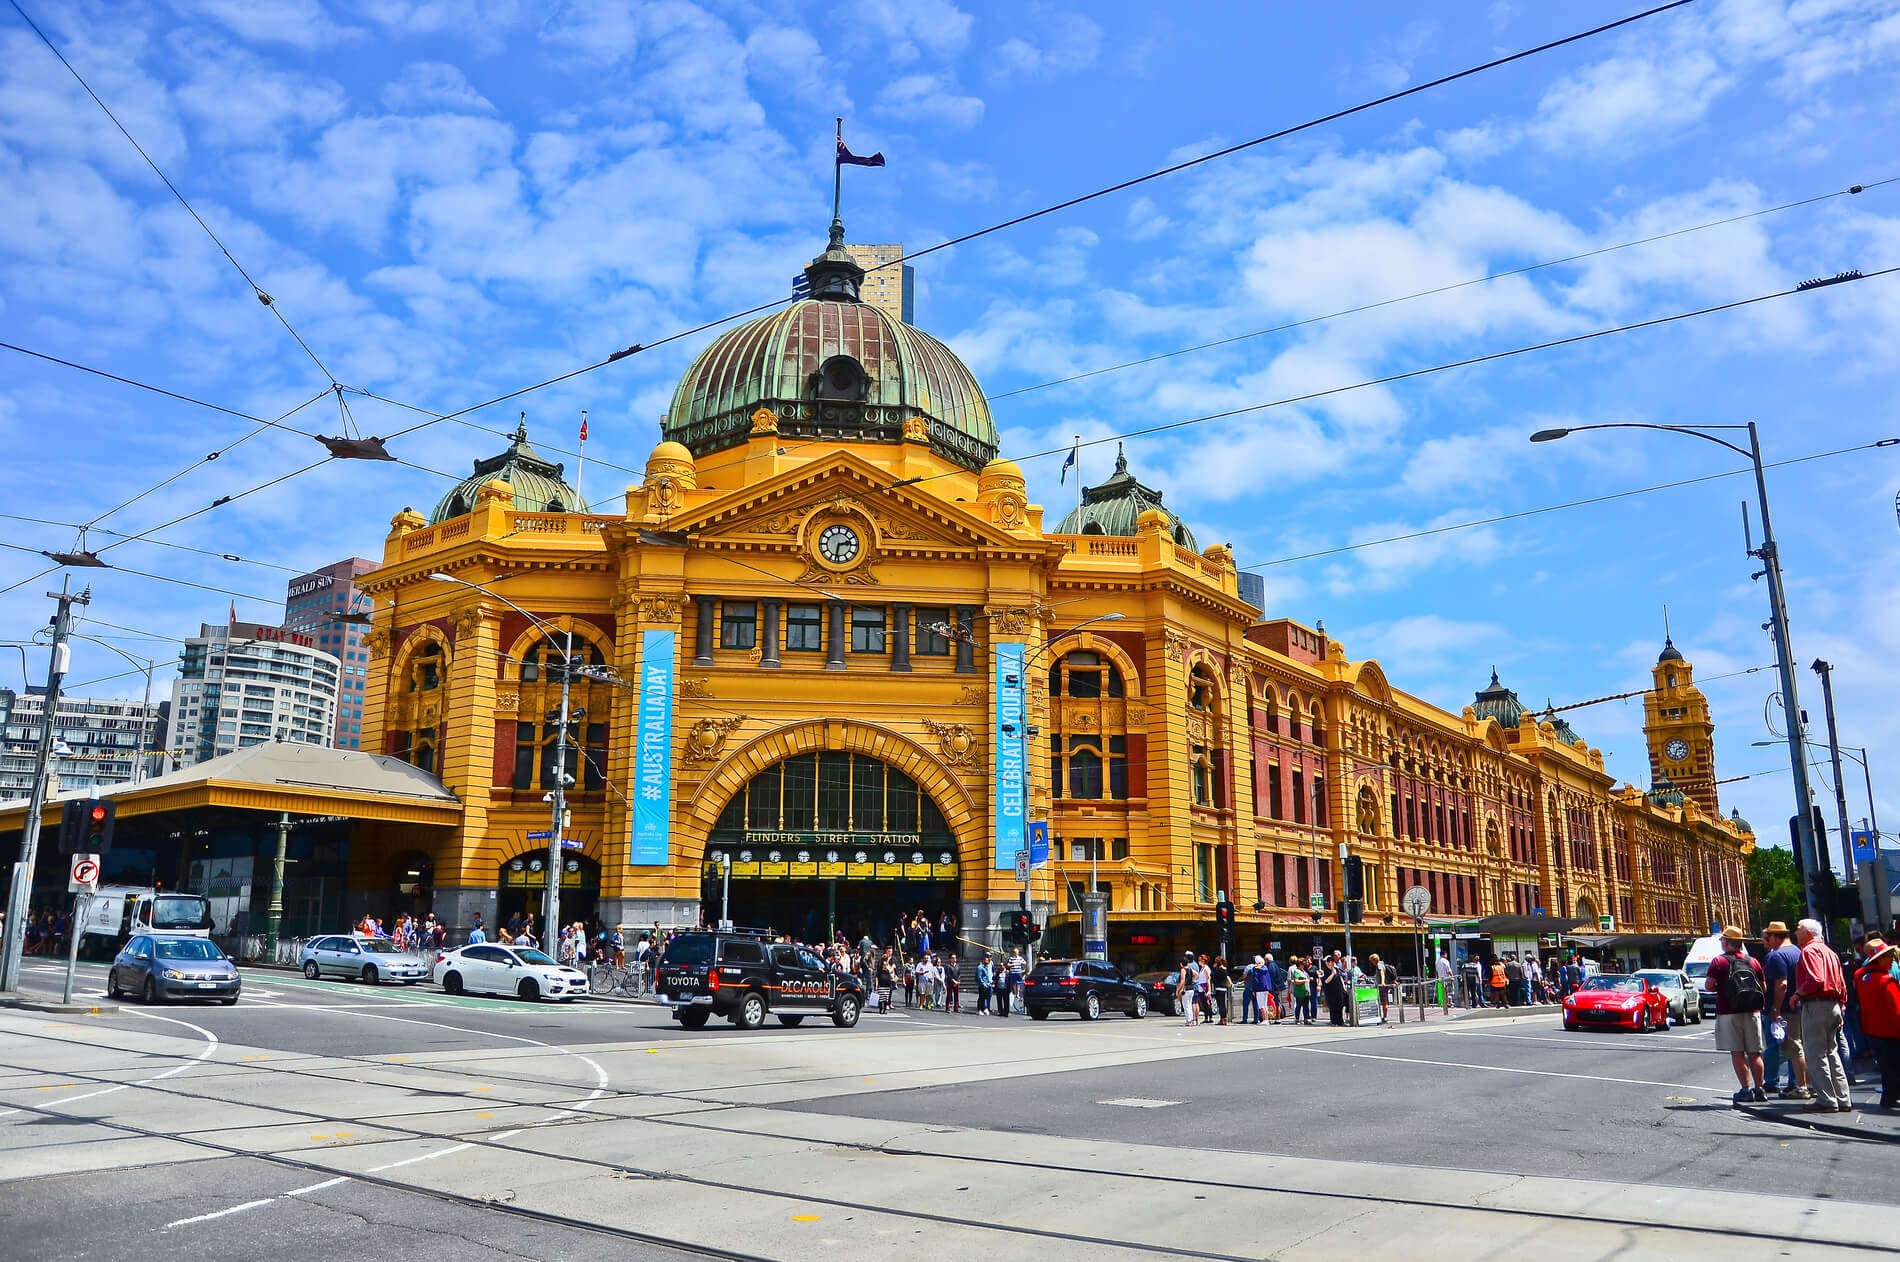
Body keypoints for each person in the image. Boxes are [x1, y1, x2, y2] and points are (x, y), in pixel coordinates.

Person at [1704, 925, 1767, 1105]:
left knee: (1737, 1052)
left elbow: (1709, 985)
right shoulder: (1753, 961)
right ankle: (1760, 1088)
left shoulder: (1719, 962)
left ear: (1726, 942)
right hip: (1752, 1012)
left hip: (1729, 1011)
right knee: (1755, 1052)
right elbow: (1763, 988)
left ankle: (1746, 1090)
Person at [1794, 918, 1852, 1113]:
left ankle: (1827, 1099)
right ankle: (1843, 1098)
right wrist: (1841, 1006)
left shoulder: (1809, 950)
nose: (1796, 933)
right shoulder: (1830, 952)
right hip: (1833, 1005)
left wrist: (1797, 994)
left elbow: (1816, 979)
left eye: (1799, 929)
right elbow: (1842, 984)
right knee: (1832, 1052)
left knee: (1816, 1054)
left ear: (1808, 933)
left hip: (1816, 1005)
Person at [1759, 921, 1808, 1098]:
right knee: (1796, 1046)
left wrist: (1775, 1009)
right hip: (1798, 1006)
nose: (1767, 941)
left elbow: (1781, 984)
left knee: (1779, 1046)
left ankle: (1775, 1082)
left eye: (1767, 937)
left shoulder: (1777, 956)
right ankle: (1795, 1082)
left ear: (1773, 936)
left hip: (1784, 1008)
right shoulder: (1797, 951)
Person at [1852, 933, 1899, 1110]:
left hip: (1872, 1030)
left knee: (1886, 1068)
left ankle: (1889, 1098)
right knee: (1893, 1067)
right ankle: (1890, 1098)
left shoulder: (1860, 976)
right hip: (1891, 1032)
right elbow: (1896, 1012)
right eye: (1888, 957)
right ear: (1879, 960)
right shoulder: (1887, 982)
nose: (1892, 960)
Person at [1322, 954, 1347, 1026]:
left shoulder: (1336, 969)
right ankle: (1334, 1022)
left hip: (1338, 990)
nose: (1331, 963)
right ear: (1327, 963)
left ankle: (1340, 1021)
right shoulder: (1326, 971)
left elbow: (1340, 978)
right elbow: (1326, 981)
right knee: (1333, 1007)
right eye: (1329, 962)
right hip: (1330, 991)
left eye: (1332, 961)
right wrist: (1332, 974)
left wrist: (1344, 987)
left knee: (1340, 1006)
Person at [1370, 954, 1394, 1021]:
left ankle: (1385, 1017)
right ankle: (1384, 1016)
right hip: (1384, 986)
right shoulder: (1382, 964)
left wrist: (1382, 982)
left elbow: (1382, 973)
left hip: (1382, 986)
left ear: (1375, 960)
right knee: (1384, 1001)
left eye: (1372, 961)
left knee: (1384, 1002)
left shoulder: (1379, 965)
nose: (1372, 963)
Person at [1211, 955, 1232, 1026]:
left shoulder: (1218, 970)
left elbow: (1213, 979)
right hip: (1224, 988)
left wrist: (1214, 969)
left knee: (1220, 1005)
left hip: (1218, 988)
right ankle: (1224, 1019)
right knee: (1223, 1004)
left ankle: (1222, 1019)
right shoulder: (1225, 969)